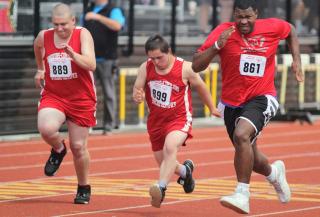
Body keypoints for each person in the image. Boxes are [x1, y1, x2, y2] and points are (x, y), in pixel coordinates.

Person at [192, 0, 304, 214]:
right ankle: (274, 173)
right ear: (234, 14)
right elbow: (196, 65)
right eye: (239, 17)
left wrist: (296, 60)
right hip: (232, 103)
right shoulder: (223, 31)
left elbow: (291, 30)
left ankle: (242, 194)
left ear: (256, 14)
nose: (243, 21)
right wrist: (217, 46)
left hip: (262, 97)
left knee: (242, 135)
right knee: (249, 156)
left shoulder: (271, 27)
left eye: (248, 17)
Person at [133, 34, 220, 208]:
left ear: (169, 52)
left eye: (159, 57)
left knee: (170, 148)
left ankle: (161, 188)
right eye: (152, 58)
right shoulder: (146, 67)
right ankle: (185, 172)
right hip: (156, 122)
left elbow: (201, 87)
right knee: (165, 162)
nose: (156, 62)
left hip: (179, 119)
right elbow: (138, 86)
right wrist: (137, 94)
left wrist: (212, 108)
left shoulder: (185, 68)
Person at [33, 3, 96, 204]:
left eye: (63, 25)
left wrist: (73, 55)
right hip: (55, 94)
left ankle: (83, 187)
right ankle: (59, 149)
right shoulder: (45, 35)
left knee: (78, 146)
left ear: (73, 21)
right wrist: (40, 68)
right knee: (46, 128)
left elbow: (91, 64)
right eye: (56, 24)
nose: (59, 29)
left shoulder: (82, 34)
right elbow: (37, 45)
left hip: (81, 97)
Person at [83, 0, 125, 134]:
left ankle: (108, 126)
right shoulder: (89, 7)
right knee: (86, 93)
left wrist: (98, 17)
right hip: (89, 59)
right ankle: (86, 124)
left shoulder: (113, 9)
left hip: (107, 59)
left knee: (109, 93)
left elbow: (117, 25)